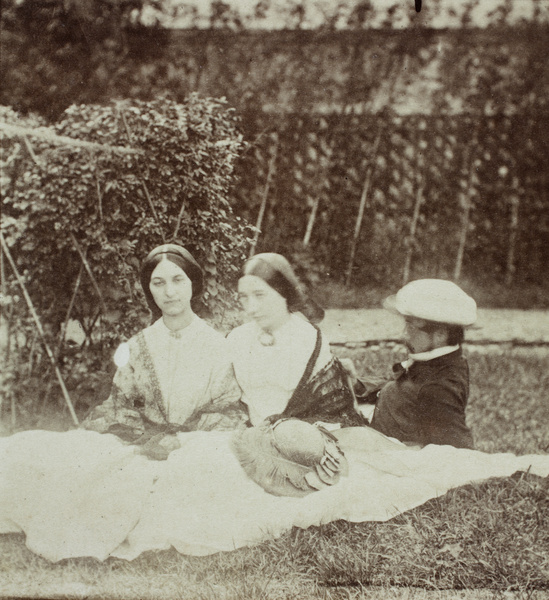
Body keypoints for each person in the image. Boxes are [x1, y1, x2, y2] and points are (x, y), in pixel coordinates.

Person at [82, 243, 246, 458]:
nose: (169, 292)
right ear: (149, 289)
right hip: (141, 450)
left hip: (199, 452)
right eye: (158, 283)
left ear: (193, 284)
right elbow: (122, 408)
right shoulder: (137, 347)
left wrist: (182, 442)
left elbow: (228, 413)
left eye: (178, 280)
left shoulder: (218, 346)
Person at [227, 253, 365, 428]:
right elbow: (226, 402)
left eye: (259, 295)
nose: (251, 308)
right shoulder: (236, 338)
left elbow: (330, 408)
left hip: (302, 437)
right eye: (243, 297)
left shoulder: (309, 338)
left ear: (283, 292)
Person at [357, 278, 476, 449]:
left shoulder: (439, 388)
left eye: (411, 328)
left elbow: (457, 451)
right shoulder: (438, 362)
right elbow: (403, 385)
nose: (403, 336)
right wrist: (357, 385)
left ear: (440, 335)